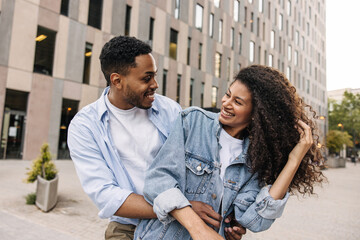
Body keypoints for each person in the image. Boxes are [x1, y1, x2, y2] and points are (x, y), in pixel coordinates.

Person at [67, 36, 244, 240]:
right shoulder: (85, 126)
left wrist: (229, 218)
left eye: (155, 76)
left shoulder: (170, 110)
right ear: (117, 80)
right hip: (129, 229)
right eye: (146, 78)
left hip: (183, 224)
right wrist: (179, 208)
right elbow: (106, 196)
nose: (155, 84)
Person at [134, 65, 326, 240]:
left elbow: (255, 220)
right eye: (227, 94)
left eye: (238, 102)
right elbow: (158, 181)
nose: (226, 103)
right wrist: (198, 228)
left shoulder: (255, 158)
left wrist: (294, 160)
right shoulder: (193, 121)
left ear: (256, 113)